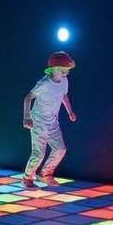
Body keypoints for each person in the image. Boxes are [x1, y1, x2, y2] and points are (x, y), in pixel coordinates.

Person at [21, 51, 77, 188]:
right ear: (55, 69)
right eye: (64, 70)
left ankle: (45, 174)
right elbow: (28, 98)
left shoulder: (64, 81)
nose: (67, 73)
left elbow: (64, 96)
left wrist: (70, 111)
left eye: (67, 70)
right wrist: (26, 117)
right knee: (38, 154)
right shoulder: (44, 83)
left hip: (53, 123)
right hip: (38, 122)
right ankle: (27, 177)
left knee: (60, 149)